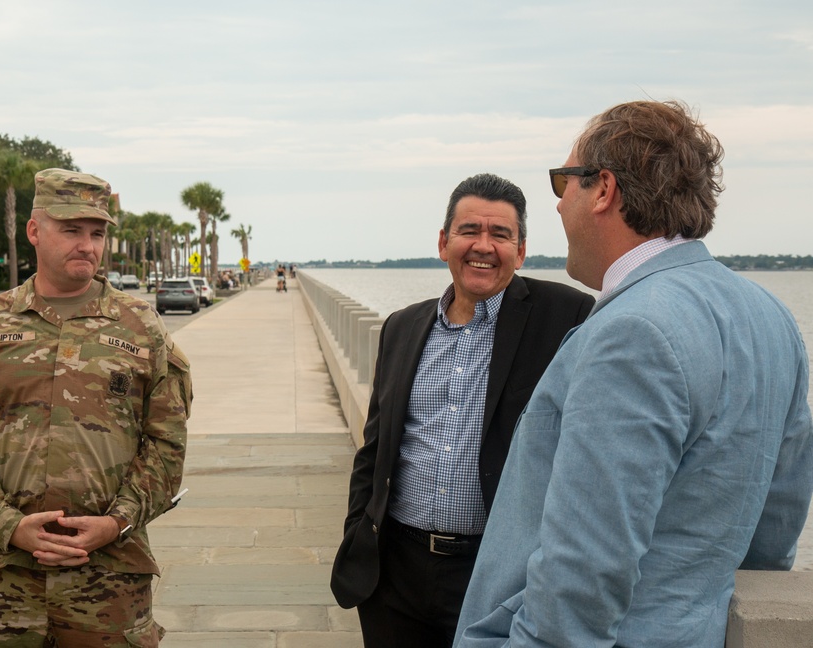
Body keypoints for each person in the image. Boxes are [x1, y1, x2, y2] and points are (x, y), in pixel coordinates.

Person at [453, 100, 813, 648]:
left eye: (563, 182)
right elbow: (775, 527)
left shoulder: (634, 330)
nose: (556, 206)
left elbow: (584, 569)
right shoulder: (769, 316)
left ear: (603, 190)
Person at [330, 173, 595, 648]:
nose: (483, 246)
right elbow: (375, 449)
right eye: (470, 230)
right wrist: (358, 531)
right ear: (443, 241)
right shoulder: (402, 327)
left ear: (522, 249)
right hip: (394, 575)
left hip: (494, 575)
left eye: (501, 234)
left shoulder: (567, 316)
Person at [0, 168, 192, 647]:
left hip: (109, 584)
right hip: (2, 583)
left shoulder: (141, 328)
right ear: (35, 230)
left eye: (96, 234)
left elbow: (166, 447)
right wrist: (8, 526)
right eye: (71, 230)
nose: (87, 245)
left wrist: (116, 523)